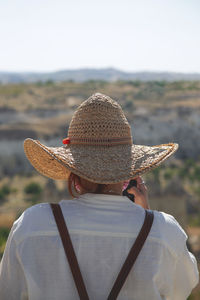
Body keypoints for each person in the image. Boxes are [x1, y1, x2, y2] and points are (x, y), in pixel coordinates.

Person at [0, 93, 198, 300]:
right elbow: (182, 290)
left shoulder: (32, 224)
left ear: (72, 169)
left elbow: (6, 292)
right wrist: (147, 219)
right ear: (129, 171)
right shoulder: (164, 231)